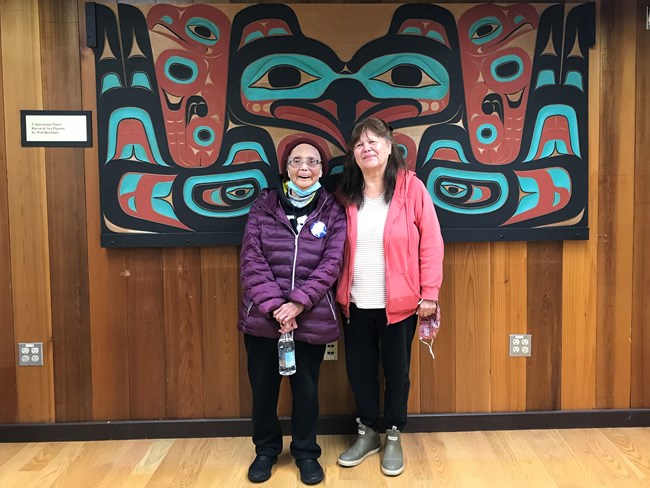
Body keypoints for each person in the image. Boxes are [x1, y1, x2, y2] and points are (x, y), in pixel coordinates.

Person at [335, 118, 444, 476]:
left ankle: (393, 434)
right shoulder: (345, 193)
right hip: (355, 302)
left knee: (397, 372)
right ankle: (367, 433)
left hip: (400, 304)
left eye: (374, 141)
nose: (367, 148)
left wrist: (430, 292)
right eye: (360, 143)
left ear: (389, 145)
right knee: (360, 371)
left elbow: (431, 242)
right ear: (353, 153)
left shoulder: (411, 189)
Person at [237, 139, 347, 485]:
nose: (304, 168)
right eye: (296, 160)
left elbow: (332, 263)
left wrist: (299, 302)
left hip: (310, 318)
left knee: (307, 391)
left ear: (321, 170)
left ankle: (305, 451)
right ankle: (266, 451)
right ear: (285, 167)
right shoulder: (263, 207)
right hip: (263, 318)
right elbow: (251, 260)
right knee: (264, 390)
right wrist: (276, 307)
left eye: (312, 161)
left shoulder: (332, 210)